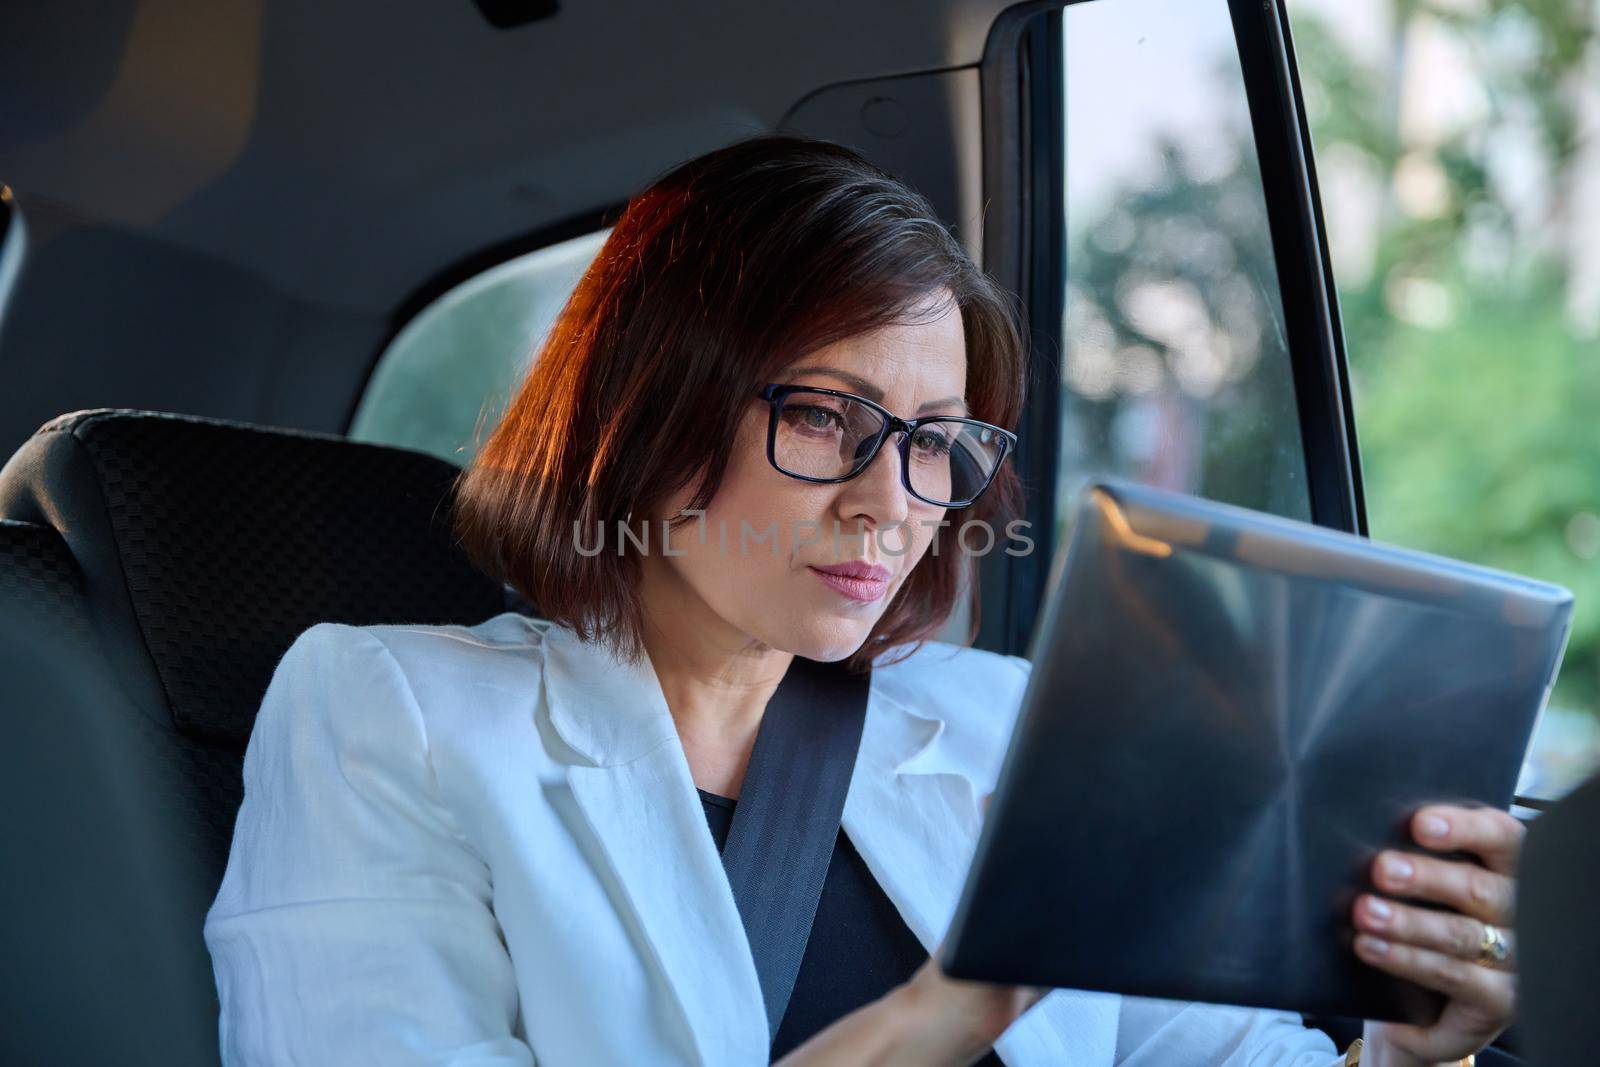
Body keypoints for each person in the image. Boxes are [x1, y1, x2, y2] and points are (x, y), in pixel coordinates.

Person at [204, 134, 1521, 1066]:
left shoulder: (1015, 729)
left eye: (939, 439)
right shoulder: (393, 716)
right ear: (650, 415)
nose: (895, 500)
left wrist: (1411, 1055)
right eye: (829, 418)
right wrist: (933, 1023)